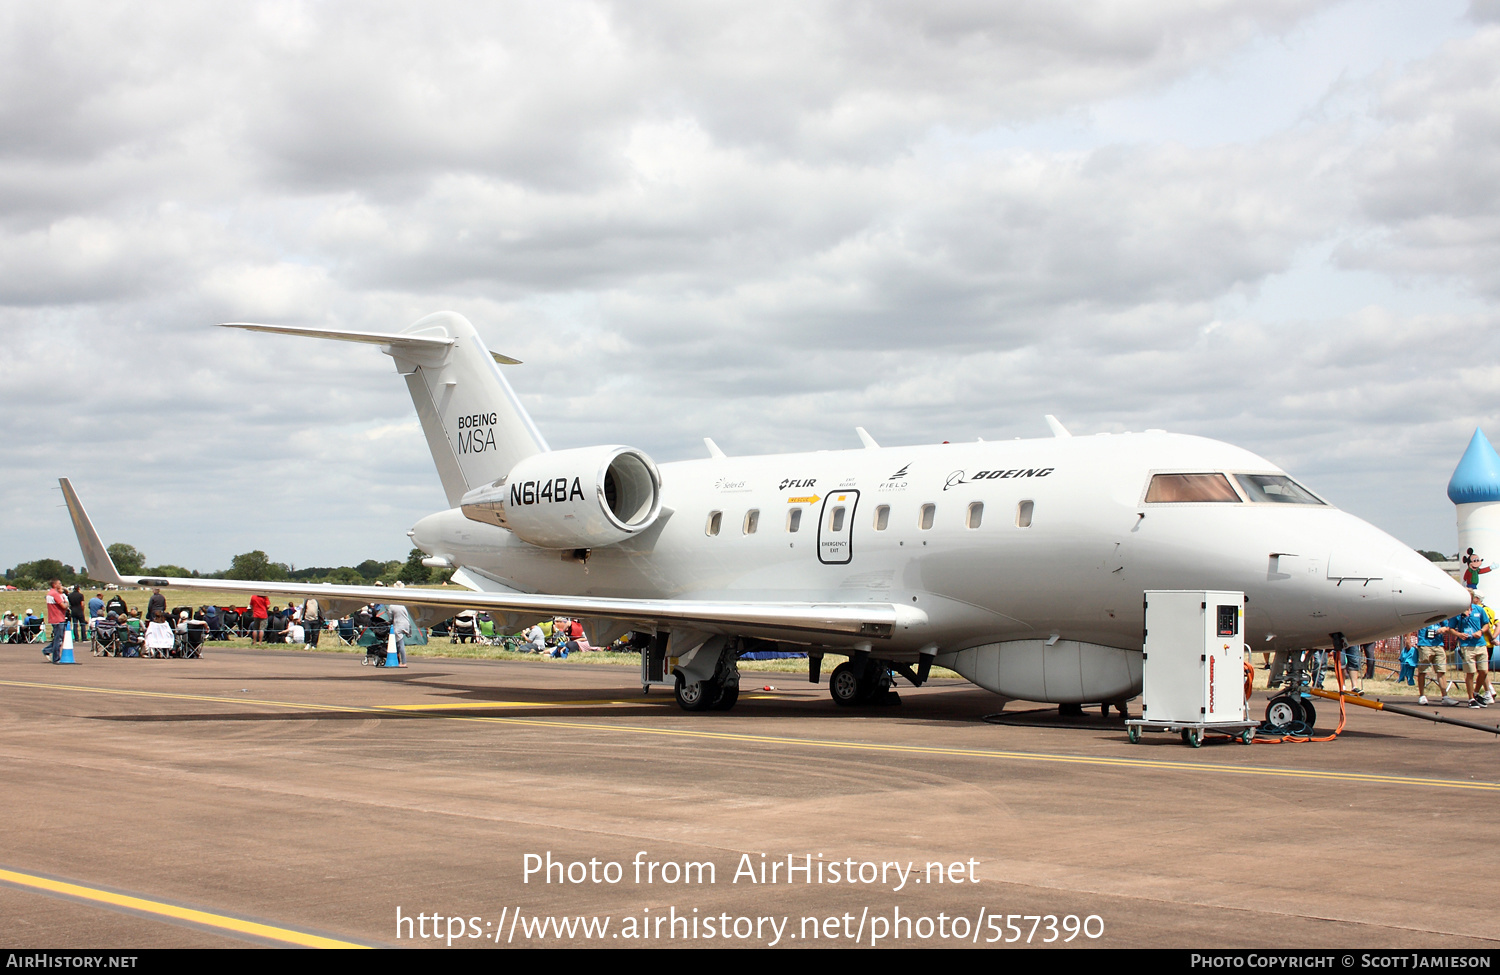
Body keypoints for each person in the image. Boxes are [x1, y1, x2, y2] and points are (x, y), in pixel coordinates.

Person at [1438, 589, 1491, 709]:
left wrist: (1481, 631)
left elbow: (1486, 624)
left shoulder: (1479, 610)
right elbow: (1450, 628)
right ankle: (1470, 698)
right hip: (1466, 646)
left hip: (1480, 644)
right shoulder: (1458, 612)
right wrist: (1459, 635)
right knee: (1470, 672)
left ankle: (1476, 693)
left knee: (1484, 671)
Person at [1414, 620, 1455, 706]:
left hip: (1438, 645)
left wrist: (1443, 629)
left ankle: (1445, 696)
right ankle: (1422, 695)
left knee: (1441, 670)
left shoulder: (1441, 614)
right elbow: (1411, 625)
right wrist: (1408, 640)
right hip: (1424, 644)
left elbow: (1448, 627)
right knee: (1423, 671)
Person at [44, 579, 69, 662]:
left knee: (57, 638)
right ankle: (56, 658)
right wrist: (66, 601)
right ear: (55, 585)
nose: (61, 585)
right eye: (59, 584)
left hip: (53, 618)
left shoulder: (50, 594)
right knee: (59, 639)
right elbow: (63, 606)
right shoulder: (55, 594)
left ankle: (48, 650)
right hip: (58, 618)